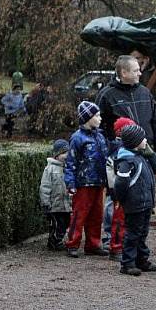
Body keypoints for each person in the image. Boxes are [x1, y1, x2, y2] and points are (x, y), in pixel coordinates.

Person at [96, 55, 156, 165]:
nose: (140, 73)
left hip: (147, 151)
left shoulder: (145, 92)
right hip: (121, 155)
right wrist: (109, 149)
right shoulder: (106, 95)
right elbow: (98, 128)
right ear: (124, 73)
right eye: (136, 71)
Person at [114, 124, 156, 276]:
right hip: (135, 203)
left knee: (142, 233)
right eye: (142, 139)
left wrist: (150, 152)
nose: (146, 140)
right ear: (135, 142)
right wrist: (119, 199)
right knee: (133, 234)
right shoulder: (127, 161)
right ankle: (127, 263)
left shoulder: (141, 156)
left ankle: (141, 260)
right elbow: (121, 183)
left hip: (145, 202)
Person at [64, 101, 109, 258]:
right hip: (83, 184)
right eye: (96, 115)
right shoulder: (77, 138)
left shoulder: (100, 136)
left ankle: (93, 244)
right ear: (87, 118)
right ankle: (73, 243)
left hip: (99, 183)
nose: (100, 118)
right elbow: (71, 162)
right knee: (79, 214)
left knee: (97, 215)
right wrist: (70, 183)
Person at [39, 139, 72, 251]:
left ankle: (59, 239)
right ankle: (55, 241)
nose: (66, 155)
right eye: (63, 153)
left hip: (66, 203)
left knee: (66, 222)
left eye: (67, 152)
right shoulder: (50, 169)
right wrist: (45, 202)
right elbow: (45, 187)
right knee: (57, 223)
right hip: (55, 204)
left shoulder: (68, 168)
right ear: (57, 155)